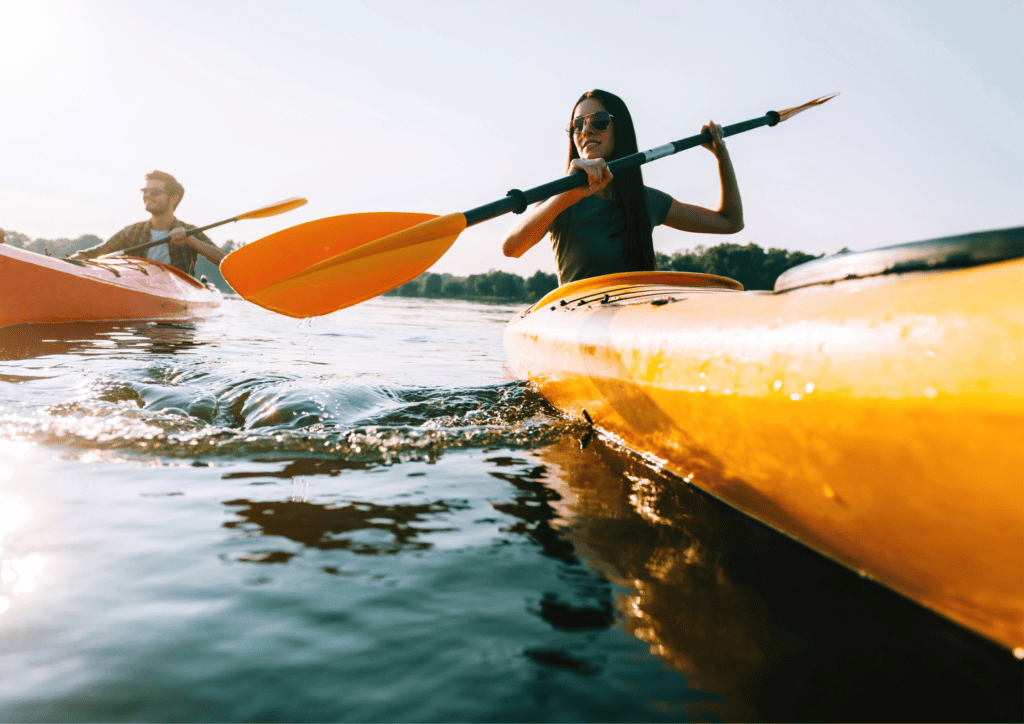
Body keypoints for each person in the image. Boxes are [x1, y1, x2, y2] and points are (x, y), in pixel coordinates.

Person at [502, 89, 744, 285]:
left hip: (635, 315)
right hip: (578, 316)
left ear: (621, 130)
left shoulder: (647, 200)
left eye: (599, 121)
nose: (586, 130)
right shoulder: (558, 198)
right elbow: (512, 248)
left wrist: (722, 156)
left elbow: (730, 223)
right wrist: (567, 195)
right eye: (577, 125)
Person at [71, 170, 226, 275]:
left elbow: (224, 260)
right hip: (139, 290)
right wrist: (64, 263)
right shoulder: (131, 232)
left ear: (173, 199)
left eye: (155, 192)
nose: (147, 196)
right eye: (145, 191)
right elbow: (95, 254)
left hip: (177, 294)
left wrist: (191, 241)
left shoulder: (190, 231)